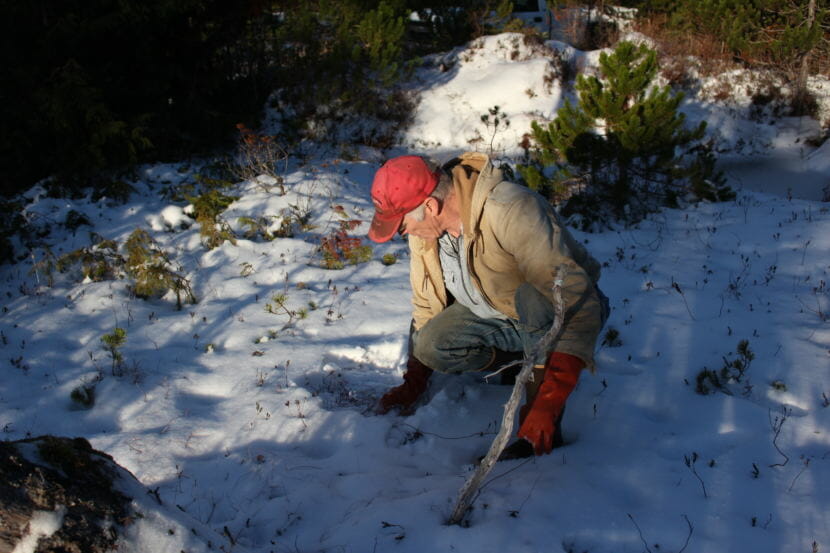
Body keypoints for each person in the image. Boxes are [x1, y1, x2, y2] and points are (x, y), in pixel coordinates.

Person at [367, 153, 608, 459]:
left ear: (430, 206)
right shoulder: (426, 232)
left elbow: (575, 301)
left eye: (401, 225)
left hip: (555, 311)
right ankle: (522, 361)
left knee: (532, 298)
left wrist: (550, 398)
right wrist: (413, 383)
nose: (402, 234)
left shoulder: (511, 210)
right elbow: (425, 305)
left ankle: (538, 428)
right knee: (431, 344)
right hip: (493, 312)